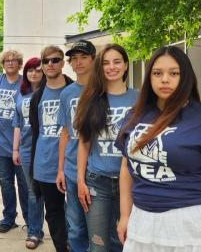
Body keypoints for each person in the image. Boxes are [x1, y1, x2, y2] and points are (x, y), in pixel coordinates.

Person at [116, 46, 201, 252]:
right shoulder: (134, 117)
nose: (165, 79)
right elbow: (127, 167)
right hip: (142, 221)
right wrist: (125, 215)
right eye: (157, 73)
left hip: (194, 224)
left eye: (174, 73)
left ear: (186, 77)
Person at [74, 44, 138, 252]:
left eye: (117, 61)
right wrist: (80, 181)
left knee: (124, 241)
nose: (111, 67)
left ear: (126, 65)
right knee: (98, 245)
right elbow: (84, 143)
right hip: (96, 182)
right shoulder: (90, 99)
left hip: (130, 183)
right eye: (106, 63)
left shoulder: (139, 99)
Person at [29, 46, 73, 252]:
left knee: (77, 213)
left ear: (63, 63)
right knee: (54, 213)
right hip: (46, 164)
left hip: (73, 163)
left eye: (55, 60)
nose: (50, 64)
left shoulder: (75, 90)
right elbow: (35, 133)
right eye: (46, 61)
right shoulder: (37, 96)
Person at [57, 39, 96, 252]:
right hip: (72, 170)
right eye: (74, 59)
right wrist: (60, 169)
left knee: (100, 228)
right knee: (76, 227)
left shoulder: (103, 89)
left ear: (93, 60)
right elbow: (65, 133)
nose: (78, 62)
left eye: (83, 57)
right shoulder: (67, 93)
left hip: (98, 169)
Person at [0, 49, 28, 233]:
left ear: (19, 63)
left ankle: (30, 220)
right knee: (5, 182)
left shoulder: (25, 83)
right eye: (7, 60)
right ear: (2, 63)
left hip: (22, 143)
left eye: (14, 60)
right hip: (0, 143)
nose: (10, 63)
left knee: (25, 185)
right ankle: (9, 217)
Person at [11, 57, 45, 249]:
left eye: (38, 70)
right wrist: (15, 149)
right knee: (33, 192)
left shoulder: (49, 93)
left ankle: (64, 230)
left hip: (46, 148)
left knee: (52, 192)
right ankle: (34, 231)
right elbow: (17, 123)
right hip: (25, 149)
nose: (34, 73)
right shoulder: (21, 94)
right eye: (30, 70)